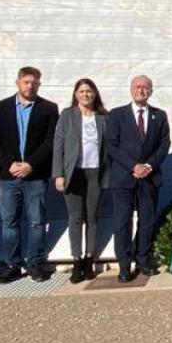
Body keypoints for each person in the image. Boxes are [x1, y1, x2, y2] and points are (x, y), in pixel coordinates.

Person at [0, 66, 60, 283]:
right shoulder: (0, 108)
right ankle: (12, 264)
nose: (30, 86)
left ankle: (35, 263)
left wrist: (30, 164)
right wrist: (9, 163)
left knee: (36, 221)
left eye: (35, 83)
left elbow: (50, 141)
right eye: (27, 82)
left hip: (35, 174)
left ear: (39, 84)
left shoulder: (49, 108)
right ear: (18, 82)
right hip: (8, 175)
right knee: (9, 222)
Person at [105, 75, 171, 282]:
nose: (141, 90)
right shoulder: (117, 114)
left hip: (149, 178)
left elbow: (164, 144)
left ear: (151, 91)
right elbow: (111, 145)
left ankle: (142, 260)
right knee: (122, 223)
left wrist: (148, 166)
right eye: (137, 87)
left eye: (145, 87)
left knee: (147, 221)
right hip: (123, 178)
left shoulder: (159, 115)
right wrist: (133, 166)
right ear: (131, 90)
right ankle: (124, 265)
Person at [53, 78, 108, 284]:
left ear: (95, 94)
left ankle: (89, 259)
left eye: (89, 91)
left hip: (96, 173)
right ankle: (76, 260)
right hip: (74, 173)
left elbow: (108, 147)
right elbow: (58, 146)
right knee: (75, 218)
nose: (86, 94)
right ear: (76, 94)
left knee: (92, 218)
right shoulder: (67, 115)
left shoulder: (103, 117)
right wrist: (58, 174)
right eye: (82, 91)